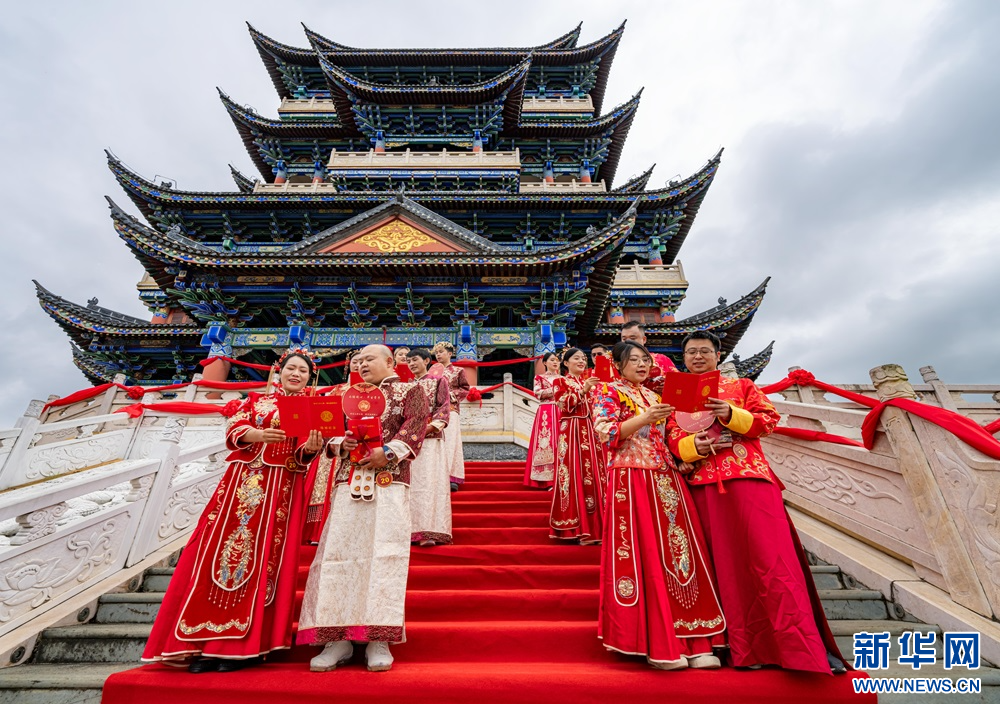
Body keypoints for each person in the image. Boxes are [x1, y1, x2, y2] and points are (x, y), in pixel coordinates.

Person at [666, 331, 847, 674]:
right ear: (683, 358)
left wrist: (730, 413)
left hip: (748, 478)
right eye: (691, 352)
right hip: (703, 487)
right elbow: (672, 437)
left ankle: (799, 649)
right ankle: (745, 649)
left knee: (774, 561)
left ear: (718, 355)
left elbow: (768, 420)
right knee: (726, 569)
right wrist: (694, 447)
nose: (698, 357)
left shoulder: (742, 386)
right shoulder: (677, 398)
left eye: (704, 351)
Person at [142, 350, 325, 672]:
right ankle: (202, 643)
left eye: (303, 371)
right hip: (240, 488)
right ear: (278, 371)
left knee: (268, 560)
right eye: (291, 368)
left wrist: (311, 448)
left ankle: (247, 647)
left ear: (311, 378)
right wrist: (257, 435)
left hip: (282, 491)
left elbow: (302, 455)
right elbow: (235, 428)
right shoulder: (255, 402)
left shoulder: (310, 409)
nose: (296, 374)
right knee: (217, 555)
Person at [593, 341, 725, 670]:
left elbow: (665, 439)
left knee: (679, 556)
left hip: (666, 477)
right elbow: (606, 434)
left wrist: (687, 453)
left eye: (646, 360)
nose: (642, 365)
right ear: (618, 365)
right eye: (634, 360)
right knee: (647, 556)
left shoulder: (655, 397)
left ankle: (695, 639)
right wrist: (645, 418)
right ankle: (659, 644)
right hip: (631, 476)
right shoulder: (608, 391)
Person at [299, 345, 429, 673]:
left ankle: (378, 638)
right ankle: (335, 638)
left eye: (370, 359)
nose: (362, 364)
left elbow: (416, 426)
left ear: (390, 362)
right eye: (359, 361)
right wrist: (339, 444)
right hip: (348, 480)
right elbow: (327, 432)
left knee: (385, 556)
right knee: (337, 554)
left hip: (390, 481)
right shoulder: (345, 394)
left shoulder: (409, 390)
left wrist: (389, 451)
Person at [549, 348, 606, 544]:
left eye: (583, 358)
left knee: (596, 473)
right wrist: (583, 390)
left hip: (591, 430)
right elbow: (563, 404)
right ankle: (578, 528)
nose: (582, 361)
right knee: (575, 472)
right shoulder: (560, 381)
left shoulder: (588, 381)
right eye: (576, 358)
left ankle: (598, 528)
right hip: (573, 430)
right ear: (566, 363)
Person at [303, 350, 360, 545]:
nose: (358, 365)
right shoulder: (337, 390)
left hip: (356, 444)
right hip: (335, 442)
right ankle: (317, 532)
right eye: (355, 362)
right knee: (324, 487)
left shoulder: (371, 391)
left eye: (363, 362)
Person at [407, 347, 453, 546]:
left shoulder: (438, 381)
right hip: (406, 442)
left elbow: (443, 408)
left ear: (427, 361)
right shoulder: (405, 385)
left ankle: (429, 531)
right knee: (409, 485)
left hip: (430, 438)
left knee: (429, 483)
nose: (411, 364)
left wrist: (428, 428)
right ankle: (407, 530)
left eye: (415, 360)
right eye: (408, 361)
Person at [429, 341, 470, 490]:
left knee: (451, 442)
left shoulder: (458, 371)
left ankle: (451, 477)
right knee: (436, 442)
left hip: (451, 410)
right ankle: (435, 477)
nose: (438, 355)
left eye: (441, 352)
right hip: (434, 411)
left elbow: (465, 388)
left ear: (450, 354)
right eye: (436, 352)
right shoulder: (431, 372)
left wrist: (450, 394)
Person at [523, 352, 562, 489]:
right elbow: (538, 393)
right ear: (545, 363)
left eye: (557, 360)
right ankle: (547, 480)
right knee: (547, 442)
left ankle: (562, 478)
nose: (555, 362)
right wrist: (557, 389)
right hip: (546, 412)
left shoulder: (564, 378)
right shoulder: (539, 378)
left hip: (562, 410)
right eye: (552, 360)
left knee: (561, 442)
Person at [620, 321, 677, 393]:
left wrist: (669, 387)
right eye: (624, 339)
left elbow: (680, 384)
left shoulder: (662, 360)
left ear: (644, 340)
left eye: (633, 338)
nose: (628, 342)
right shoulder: (614, 362)